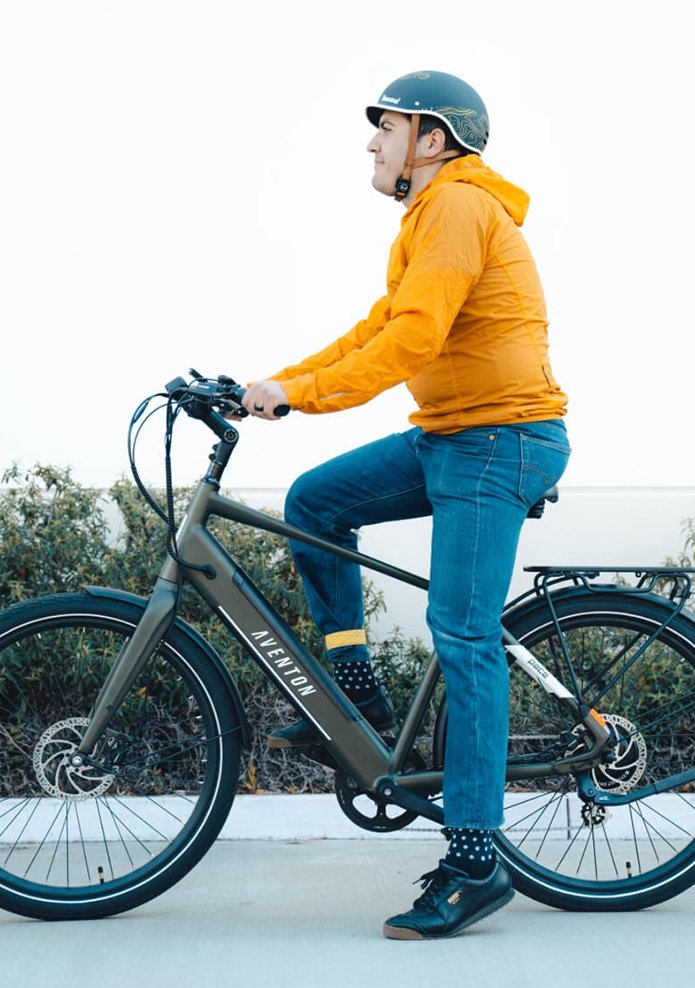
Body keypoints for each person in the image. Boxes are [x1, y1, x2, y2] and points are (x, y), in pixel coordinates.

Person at [242, 70, 570, 940]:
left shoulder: (460, 206)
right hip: (452, 434)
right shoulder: (428, 219)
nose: (372, 141)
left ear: (432, 138)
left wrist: (300, 398)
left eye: (385, 126)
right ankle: (358, 698)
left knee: (462, 633)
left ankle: (475, 861)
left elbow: (413, 340)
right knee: (314, 502)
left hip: (500, 439)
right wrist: (273, 384)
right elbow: (378, 329)